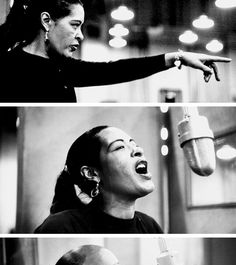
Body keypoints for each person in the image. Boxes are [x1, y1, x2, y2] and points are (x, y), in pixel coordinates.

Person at [0, 0, 231, 102]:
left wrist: (176, 57)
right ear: (47, 21)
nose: (81, 35)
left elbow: (116, 70)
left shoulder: (64, 68)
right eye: (75, 25)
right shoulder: (8, 68)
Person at [35, 125, 163, 233]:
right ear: (91, 173)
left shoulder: (149, 226)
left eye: (134, 145)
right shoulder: (60, 227)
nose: (138, 150)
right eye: (119, 147)